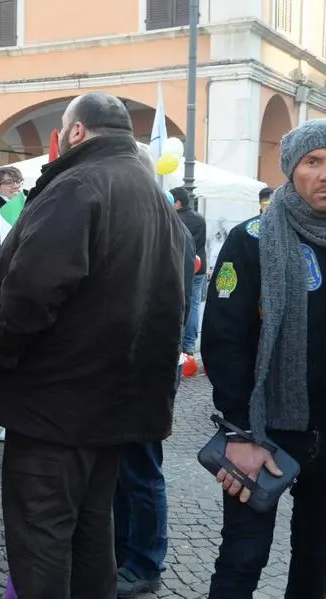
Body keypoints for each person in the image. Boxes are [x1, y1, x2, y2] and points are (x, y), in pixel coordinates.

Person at [0, 93, 185, 598]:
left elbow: (33, 289)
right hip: (108, 405)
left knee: (42, 537)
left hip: (54, 404)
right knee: (91, 531)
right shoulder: (151, 193)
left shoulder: (80, 185)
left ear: (77, 133)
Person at [202, 119, 326, 598]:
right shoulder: (251, 238)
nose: (322, 174)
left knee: (317, 567)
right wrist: (240, 433)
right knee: (242, 560)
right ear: (291, 170)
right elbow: (222, 341)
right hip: (263, 433)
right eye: (312, 162)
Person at [112, 147, 197, 599]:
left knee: (142, 472)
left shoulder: (166, 229)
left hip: (144, 372)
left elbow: (165, 309)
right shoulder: (143, 224)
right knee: (123, 470)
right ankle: (122, 552)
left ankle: (145, 562)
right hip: (124, 371)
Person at [171, 186, 207, 355]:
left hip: (184, 266)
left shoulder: (176, 220)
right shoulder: (199, 218)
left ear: (177, 202)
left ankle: (180, 343)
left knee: (182, 303)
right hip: (200, 267)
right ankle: (190, 346)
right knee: (194, 305)